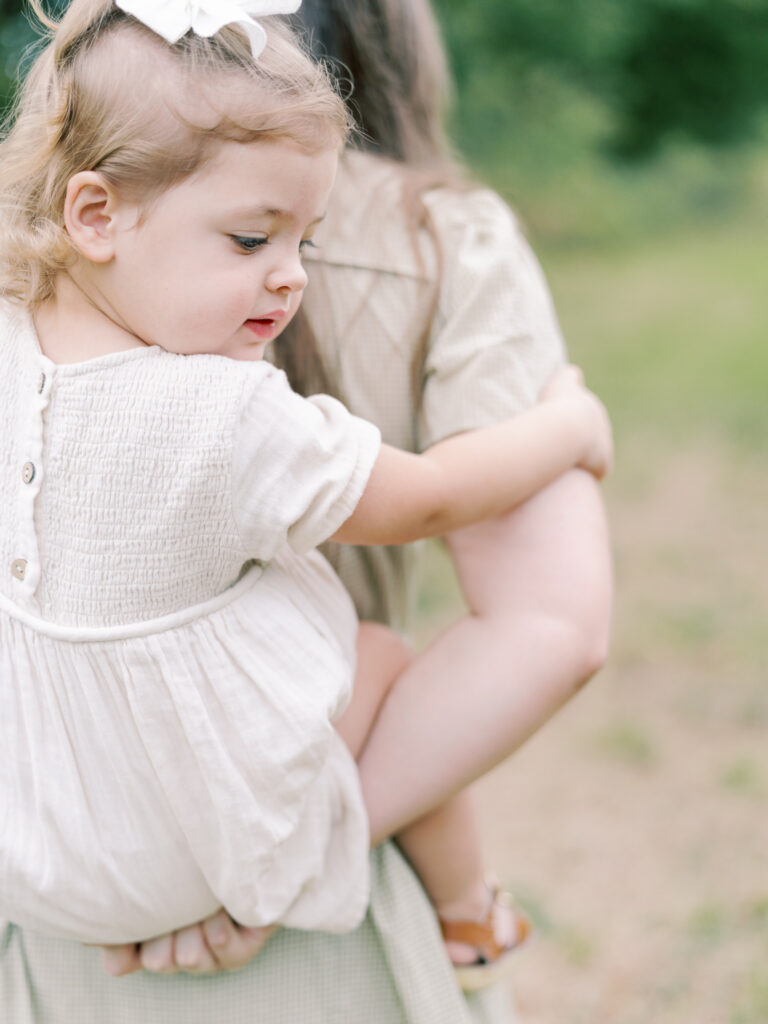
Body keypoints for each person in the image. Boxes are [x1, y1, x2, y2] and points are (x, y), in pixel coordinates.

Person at [1, 1, 613, 1021]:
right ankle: (469, 912)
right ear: (94, 214)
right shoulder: (234, 407)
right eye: (254, 239)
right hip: (274, 891)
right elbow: (468, 536)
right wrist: (573, 426)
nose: (289, 277)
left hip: (54, 886)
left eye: (306, 244)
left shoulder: (15, 341)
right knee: (374, 653)